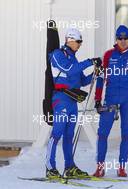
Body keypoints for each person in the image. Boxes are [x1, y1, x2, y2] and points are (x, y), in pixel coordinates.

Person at [45, 28, 101, 179]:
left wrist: (95, 73)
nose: (80, 45)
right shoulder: (57, 55)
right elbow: (69, 70)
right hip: (61, 99)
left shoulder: (74, 59)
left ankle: (69, 167)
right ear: (69, 40)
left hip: (72, 100)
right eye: (78, 42)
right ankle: (50, 167)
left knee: (69, 135)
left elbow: (82, 80)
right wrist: (90, 61)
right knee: (57, 133)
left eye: (81, 42)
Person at [93, 25, 128, 177]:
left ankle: (121, 167)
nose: (123, 41)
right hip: (110, 98)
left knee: (126, 134)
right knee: (103, 133)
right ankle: (100, 167)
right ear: (116, 39)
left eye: (126, 38)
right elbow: (101, 79)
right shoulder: (108, 55)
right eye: (120, 38)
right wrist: (97, 99)